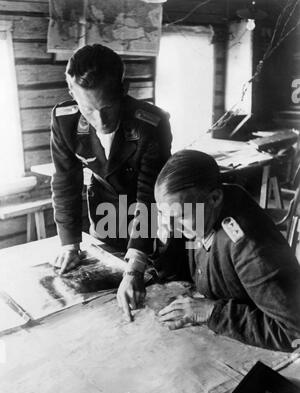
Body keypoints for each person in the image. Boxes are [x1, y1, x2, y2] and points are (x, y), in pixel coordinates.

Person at [50, 44, 172, 319]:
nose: (101, 120)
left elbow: (148, 196)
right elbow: (65, 182)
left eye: (107, 107)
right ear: (71, 92)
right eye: (88, 109)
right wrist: (70, 244)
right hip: (105, 208)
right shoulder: (64, 120)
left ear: (123, 88)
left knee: (152, 287)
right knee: (104, 300)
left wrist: (136, 263)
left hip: (148, 214)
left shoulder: (152, 123)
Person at [154, 150, 300, 352]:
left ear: (214, 198)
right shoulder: (201, 212)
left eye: (180, 216)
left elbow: (294, 333)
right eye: (163, 214)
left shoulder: (250, 247)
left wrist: (211, 312)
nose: (170, 226)